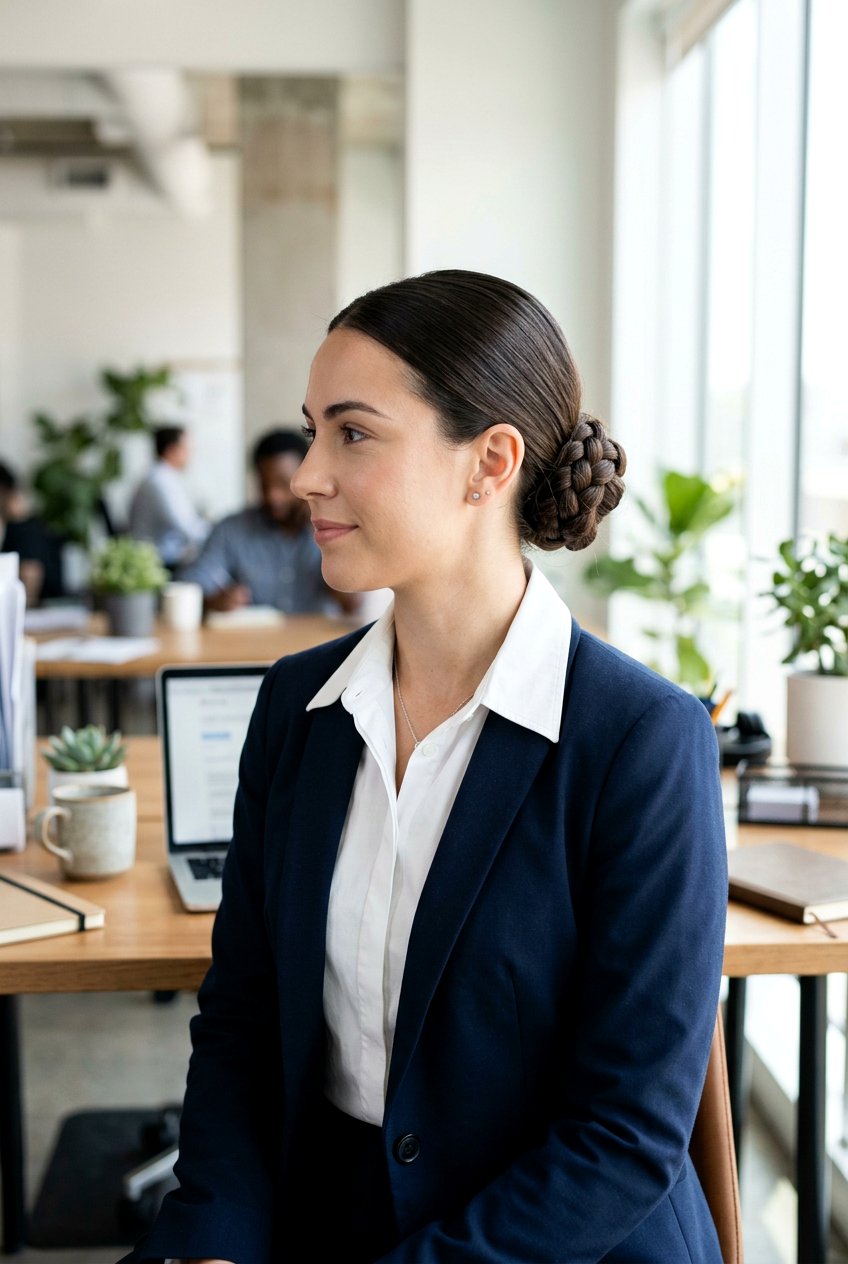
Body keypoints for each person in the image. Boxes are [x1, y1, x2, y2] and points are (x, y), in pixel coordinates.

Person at [124, 270, 727, 1263]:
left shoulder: (639, 740)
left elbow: (620, 1140)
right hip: (328, 1214)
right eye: (310, 429)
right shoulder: (295, 708)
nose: (307, 473)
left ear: (488, 463)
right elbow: (242, 1021)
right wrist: (213, 1238)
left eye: (351, 433)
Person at [178, 427, 358, 616]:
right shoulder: (232, 529)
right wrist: (213, 600)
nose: (273, 497)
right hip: (254, 643)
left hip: (321, 643)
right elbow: (192, 583)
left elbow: (354, 605)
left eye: (283, 484)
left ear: (306, 478)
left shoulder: (337, 527)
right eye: (264, 485)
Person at [128, 426, 210, 569]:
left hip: (163, 557)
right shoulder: (160, 481)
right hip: (158, 563)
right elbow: (187, 528)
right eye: (185, 448)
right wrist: (220, 533)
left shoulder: (163, 477)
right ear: (171, 450)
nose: (190, 454)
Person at [0, 460, 64, 606]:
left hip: (45, 611)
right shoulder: (30, 523)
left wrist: (22, 614)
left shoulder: (22, 527)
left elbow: (31, 573)